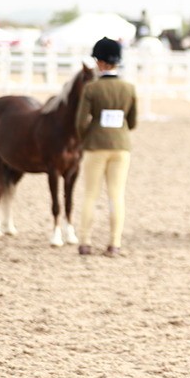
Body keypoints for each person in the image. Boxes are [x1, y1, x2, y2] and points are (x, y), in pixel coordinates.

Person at [75, 37, 137, 257]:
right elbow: (133, 121)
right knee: (116, 195)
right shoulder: (128, 88)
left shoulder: (91, 89)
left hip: (95, 146)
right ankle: (114, 244)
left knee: (90, 194)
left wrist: (85, 137)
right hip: (121, 146)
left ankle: (85, 242)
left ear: (100, 62)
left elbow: (80, 121)